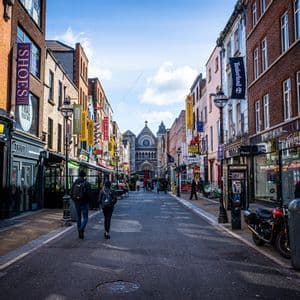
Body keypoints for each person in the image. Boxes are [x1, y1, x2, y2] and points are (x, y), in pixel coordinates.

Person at [70, 170, 91, 239]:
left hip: (77, 203)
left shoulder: (75, 183)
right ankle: (81, 229)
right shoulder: (87, 183)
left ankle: (79, 233)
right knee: (85, 218)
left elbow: (71, 193)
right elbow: (89, 194)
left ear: (79, 175)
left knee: (79, 217)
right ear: (84, 176)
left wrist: (75, 200)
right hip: (85, 203)